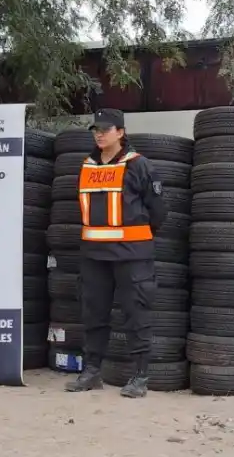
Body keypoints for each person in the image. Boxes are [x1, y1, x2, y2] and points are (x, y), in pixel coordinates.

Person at [65, 108, 168, 398]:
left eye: (105, 129)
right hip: (94, 256)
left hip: (132, 255)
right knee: (93, 314)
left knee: (137, 315)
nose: (99, 133)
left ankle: (140, 377)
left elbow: (159, 210)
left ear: (120, 133)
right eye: (96, 129)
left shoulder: (139, 165)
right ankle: (92, 372)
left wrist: (139, 237)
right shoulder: (86, 165)